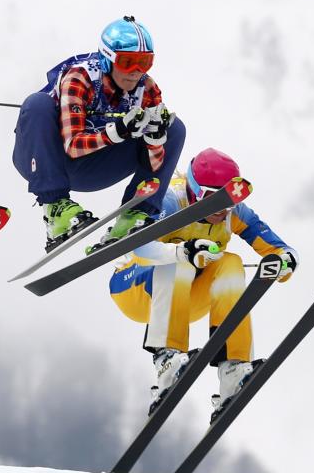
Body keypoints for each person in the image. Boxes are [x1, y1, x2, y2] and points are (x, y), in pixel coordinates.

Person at [108, 148, 299, 418]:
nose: (223, 211)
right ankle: (167, 360)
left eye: (230, 202)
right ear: (196, 191)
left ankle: (233, 369)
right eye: (214, 200)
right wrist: (182, 251)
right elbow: (141, 248)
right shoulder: (172, 200)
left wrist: (286, 260)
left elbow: (277, 247)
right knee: (179, 258)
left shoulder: (233, 212)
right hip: (135, 288)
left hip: (184, 300)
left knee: (230, 263)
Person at [12, 15, 186, 252]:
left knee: (175, 129)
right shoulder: (80, 77)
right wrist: (118, 131)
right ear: (108, 59)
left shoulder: (148, 89)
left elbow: (153, 165)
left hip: (95, 169)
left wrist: (154, 138)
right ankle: (56, 209)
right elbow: (72, 145)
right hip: (47, 161)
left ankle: (136, 214)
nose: (136, 72)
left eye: (144, 63)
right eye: (127, 62)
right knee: (36, 103)